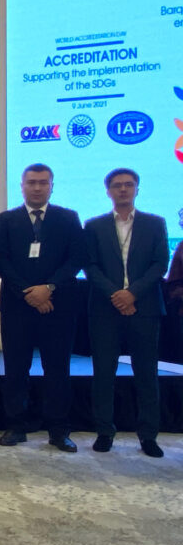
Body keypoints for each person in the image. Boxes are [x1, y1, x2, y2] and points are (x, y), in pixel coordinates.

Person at [0, 163, 86, 452]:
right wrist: (28, 293)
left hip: (58, 306)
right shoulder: (6, 219)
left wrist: (49, 288)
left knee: (57, 369)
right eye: (31, 182)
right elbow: (0, 259)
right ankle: (16, 425)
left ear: (51, 186)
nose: (37, 187)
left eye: (43, 182)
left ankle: (58, 430)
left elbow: (76, 258)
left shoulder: (68, 218)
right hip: (17, 307)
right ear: (22, 186)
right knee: (16, 368)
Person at [83, 168, 168, 458]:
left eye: (128, 185)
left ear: (137, 189)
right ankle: (105, 431)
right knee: (103, 373)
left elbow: (160, 265)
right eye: (117, 186)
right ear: (108, 191)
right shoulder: (94, 226)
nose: (123, 190)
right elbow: (90, 266)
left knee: (146, 374)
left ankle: (148, 436)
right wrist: (115, 294)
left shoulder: (155, 223)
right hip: (105, 310)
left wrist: (132, 294)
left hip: (143, 308)